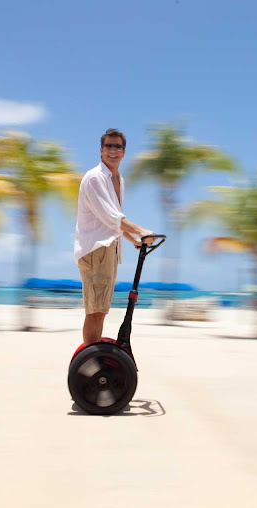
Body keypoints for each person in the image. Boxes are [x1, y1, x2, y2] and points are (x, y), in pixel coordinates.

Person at [74, 128, 154, 346]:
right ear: (101, 150)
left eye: (117, 146)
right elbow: (112, 217)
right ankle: (90, 362)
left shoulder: (117, 179)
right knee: (95, 311)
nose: (113, 150)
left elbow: (110, 220)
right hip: (95, 251)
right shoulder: (95, 178)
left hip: (108, 250)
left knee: (100, 311)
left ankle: (94, 358)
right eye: (108, 146)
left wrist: (133, 240)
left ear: (124, 152)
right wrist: (140, 230)